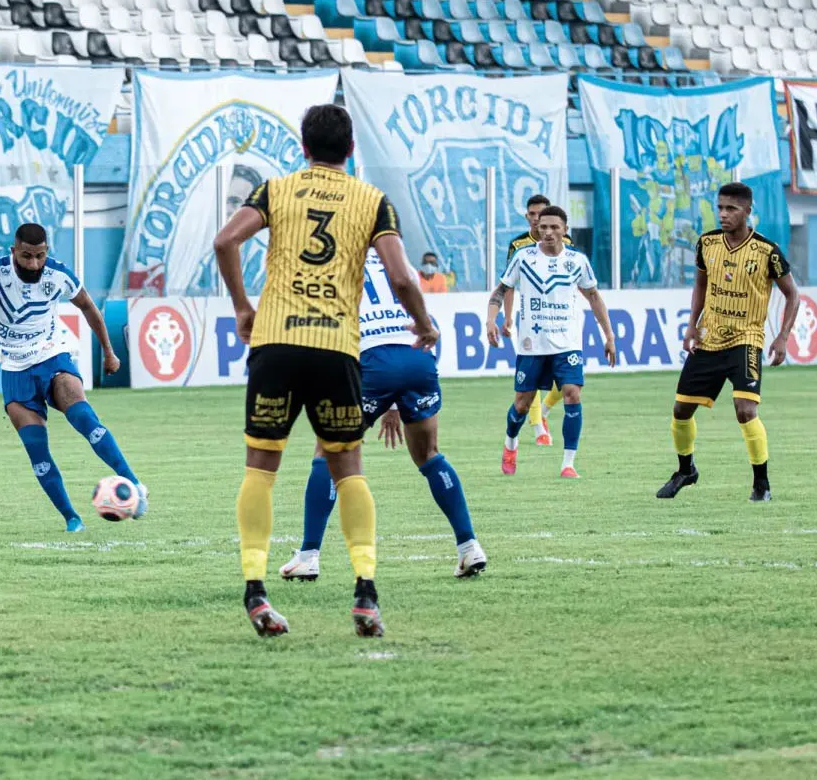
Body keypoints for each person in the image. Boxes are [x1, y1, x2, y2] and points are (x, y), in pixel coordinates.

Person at [212, 103, 438, 639]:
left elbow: (225, 242)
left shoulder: (275, 189)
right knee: (349, 469)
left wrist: (244, 307)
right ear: (351, 149)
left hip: (275, 343)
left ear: (304, 147)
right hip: (336, 346)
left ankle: (255, 589)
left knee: (261, 469)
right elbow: (403, 277)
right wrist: (423, 324)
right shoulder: (371, 200)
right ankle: (364, 591)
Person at [281, 249, 485, 582]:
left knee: (329, 452)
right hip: (417, 358)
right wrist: (391, 403)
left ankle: (307, 555)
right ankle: (469, 547)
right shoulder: (396, 263)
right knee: (429, 456)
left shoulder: (333, 265)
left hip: (372, 362)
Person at [0, 223, 143, 533]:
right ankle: (71, 518)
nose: (34, 264)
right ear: (14, 251)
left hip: (52, 356)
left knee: (83, 417)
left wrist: (108, 351)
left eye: (39, 256)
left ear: (46, 251)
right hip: (14, 370)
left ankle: (135, 485)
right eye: (26, 257)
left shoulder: (58, 274)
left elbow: (89, 306)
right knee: (37, 450)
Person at [657, 182, 799, 502]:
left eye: (731, 209)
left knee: (745, 410)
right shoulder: (707, 242)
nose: (723, 214)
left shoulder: (767, 251)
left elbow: (793, 294)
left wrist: (782, 336)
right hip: (709, 337)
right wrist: (691, 327)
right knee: (681, 410)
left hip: (747, 338)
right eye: (720, 207)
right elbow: (700, 285)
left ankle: (761, 483)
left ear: (748, 211)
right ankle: (686, 470)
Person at [487, 205, 616, 479]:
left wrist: (609, 336)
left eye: (554, 227)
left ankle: (568, 464)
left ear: (565, 230)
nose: (547, 232)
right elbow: (501, 290)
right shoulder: (523, 257)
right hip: (532, 344)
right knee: (522, 403)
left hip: (567, 343)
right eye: (543, 227)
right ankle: (511, 443)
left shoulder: (577, 261)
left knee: (573, 393)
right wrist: (491, 320)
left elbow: (593, 297)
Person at [488, 194, 575, 446]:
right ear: (527, 216)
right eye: (533, 215)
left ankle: (545, 411)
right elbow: (508, 284)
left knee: (567, 383)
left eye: (542, 215)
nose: (538, 220)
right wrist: (507, 316)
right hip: (532, 319)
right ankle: (538, 428)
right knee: (532, 379)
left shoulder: (566, 241)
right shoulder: (519, 246)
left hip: (561, 319)